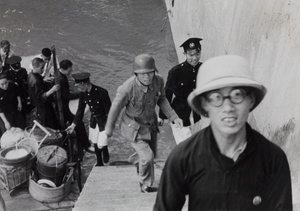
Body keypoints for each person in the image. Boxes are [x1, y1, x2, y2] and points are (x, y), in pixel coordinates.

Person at [154, 55, 292, 210]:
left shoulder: (273, 159)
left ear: (251, 100)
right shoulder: (182, 158)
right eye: (216, 97)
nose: (228, 108)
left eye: (237, 95)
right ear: (205, 104)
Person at [104, 54, 183, 193]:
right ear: (136, 74)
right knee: (148, 157)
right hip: (133, 127)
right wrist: (108, 130)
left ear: (154, 71)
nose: (147, 77)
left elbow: (162, 99)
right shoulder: (127, 89)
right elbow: (115, 109)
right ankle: (145, 184)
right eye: (143, 74)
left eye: (150, 73)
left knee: (149, 154)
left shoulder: (158, 81)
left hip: (150, 124)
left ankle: (136, 160)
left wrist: (173, 117)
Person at [159, 37, 202, 144]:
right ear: (185, 54)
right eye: (191, 55)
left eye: (197, 54)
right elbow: (166, 95)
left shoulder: (203, 69)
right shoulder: (176, 72)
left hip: (198, 116)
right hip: (180, 117)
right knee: (184, 148)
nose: (195, 58)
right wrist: (161, 116)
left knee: (197, 146)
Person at [65, 72, 111, 166]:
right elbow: (80, 110)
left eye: (78, 86)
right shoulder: (83, 94)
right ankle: (99, 162)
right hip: (94, 120)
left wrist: (110, 125)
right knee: (94, 141)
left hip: (103, 121)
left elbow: (110, 111)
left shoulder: (102, 92)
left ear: (84, 84)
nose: (78, 89)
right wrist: (73, 124)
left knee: (100, 144)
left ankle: (105, 149)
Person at [57, 60, 94, 160]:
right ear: (65, 69)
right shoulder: (62, 79)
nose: (71, 71)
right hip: (65, 106)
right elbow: (67, 96)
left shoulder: (59, 74)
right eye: (70, 69)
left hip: (62, 104)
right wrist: (80, 94)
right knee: (78, 122)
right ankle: (86, 145)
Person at [27, 57, 60, 129]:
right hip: (42, 105)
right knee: (49, 121)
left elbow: (39, 82)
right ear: (34, 67)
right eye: (41, 68)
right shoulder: (35, 81)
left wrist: (44, 80)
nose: (43, 70)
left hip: (39, 102)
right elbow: (40, 97)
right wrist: (52, 90)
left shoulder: (31, 74)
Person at [0, 73, 26, 137]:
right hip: (5, 113)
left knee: (20, 127)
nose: (5, 86)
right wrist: (6, 121)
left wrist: (19, 102)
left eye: (6, 83)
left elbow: (17, 93)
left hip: (14, 109)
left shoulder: (12, 84)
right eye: (2, 84)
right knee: (9, 131)